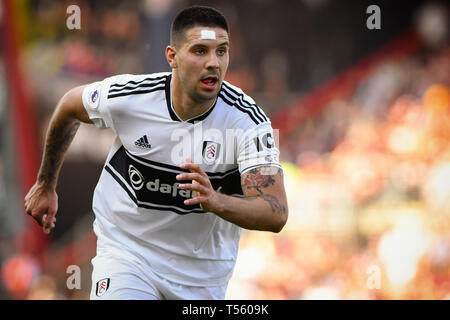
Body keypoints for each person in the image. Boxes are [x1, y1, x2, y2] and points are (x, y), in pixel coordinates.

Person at [24, 5, 288, 300]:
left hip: (202, 276)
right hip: (128, 255)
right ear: (172, 57)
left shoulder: (249, 122)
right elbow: (70, 105)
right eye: (200, 51)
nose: (213, 62)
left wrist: (216, 201)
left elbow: (275, 211)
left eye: (221, 51)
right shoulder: (132, 97)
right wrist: (46, 183)